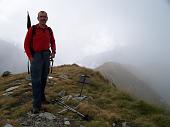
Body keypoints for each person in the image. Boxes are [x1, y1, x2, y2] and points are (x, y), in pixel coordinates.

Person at [24, 11, 56, 113]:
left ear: (47, 18)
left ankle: (42, 98)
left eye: (44, 17)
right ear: (38, 18)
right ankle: (36, 105)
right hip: (36, 56)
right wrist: (30, 57)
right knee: (36, 81)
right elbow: (26, 44)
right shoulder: (32, 29)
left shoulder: (49, 30)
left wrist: (53, 52)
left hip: (46, 55)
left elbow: (53, 41)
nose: (43, 18)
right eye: (41, 17)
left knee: (43, 79)